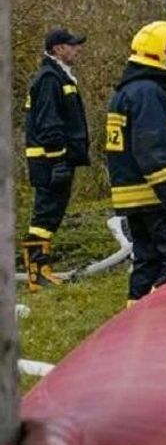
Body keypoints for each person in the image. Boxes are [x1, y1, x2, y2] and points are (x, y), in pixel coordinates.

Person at [107, 21, 166, 301]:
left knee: (147, 261)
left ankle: (133, 325)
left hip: (135, 198)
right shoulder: (149, 93)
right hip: (155, 197)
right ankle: (162, 319)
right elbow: (154, 155)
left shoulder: (127, 91)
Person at [21, 29, 90, 290]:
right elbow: (50, 123)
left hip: (55, 159)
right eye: (72, 46)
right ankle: (36, 272)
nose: (77, 50)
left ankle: (41, 268)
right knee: (45, 215)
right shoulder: (50, 78)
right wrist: (59, 159)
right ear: (58, 49)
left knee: (51, 214)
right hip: (50, 160)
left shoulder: (58, 76)